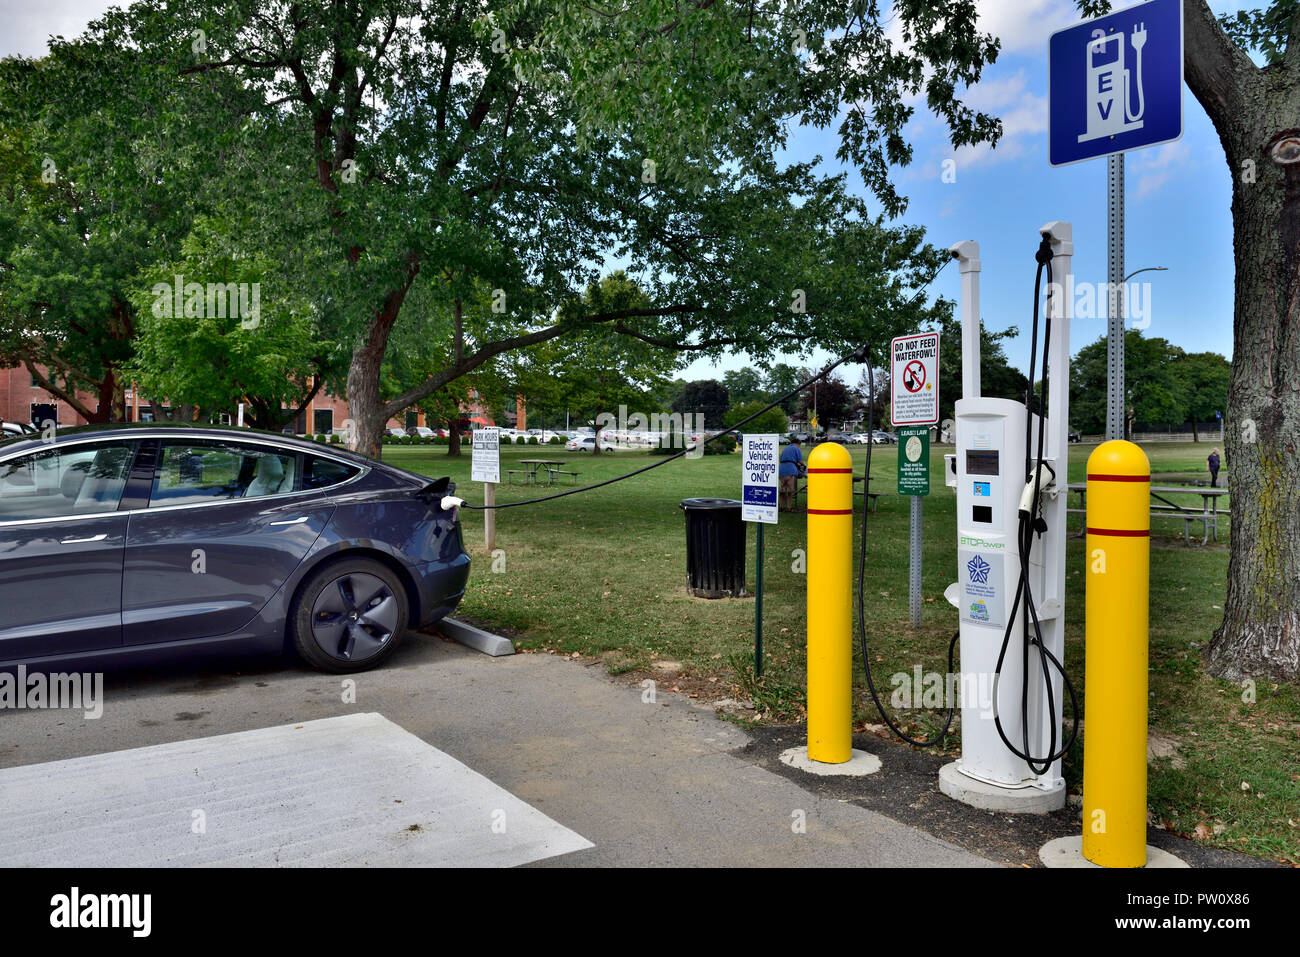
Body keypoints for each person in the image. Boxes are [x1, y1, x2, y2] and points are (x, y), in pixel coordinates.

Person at [779, 438, 804, 512]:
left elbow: (780, 459)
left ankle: (781, 506)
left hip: (781, 469)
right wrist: (804, 465)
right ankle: (788, 507)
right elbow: (800, 461)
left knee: (783, 488)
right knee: (791, 490)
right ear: (798, 444)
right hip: (791, 469)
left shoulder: (785, 448)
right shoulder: (796, 448)